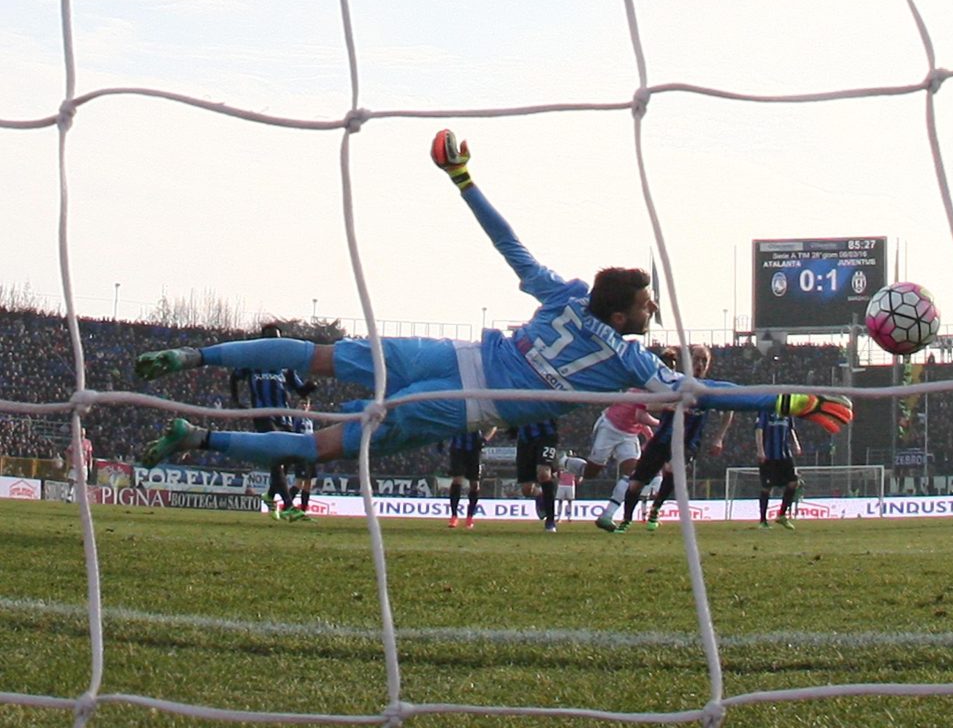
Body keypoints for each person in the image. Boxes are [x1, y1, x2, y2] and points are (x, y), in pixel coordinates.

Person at [135, 130, 852, 471]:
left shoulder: (567, 296)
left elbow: (510, 247)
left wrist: (464, 181)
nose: (654, 311)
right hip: (461, 403)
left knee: (318, 356)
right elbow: (705, 390)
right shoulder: (633, 364)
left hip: (450, 353)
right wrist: (785, 399)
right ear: (622, 315)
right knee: (320, 446)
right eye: (648, 304)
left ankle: (191, 353)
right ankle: (199, 438)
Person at [604, 345, 734, 533]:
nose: (700, 364)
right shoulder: (673, 382)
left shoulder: (709, 389)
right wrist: (669, 404)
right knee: (635, 485)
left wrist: (719, 438)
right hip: (662, 439)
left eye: (704, 361)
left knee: (674, 468)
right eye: (696, 359)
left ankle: (655, 510)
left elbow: (729, 410)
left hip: (688, 442)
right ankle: (626, 520)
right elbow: (649, 405)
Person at [559, 348, 666, 524]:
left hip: (629, 434)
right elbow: (640, 415)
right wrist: (658, 425)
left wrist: (648, 433)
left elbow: (637, 417)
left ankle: (607, 516)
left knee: (631, 473)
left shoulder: (655, 389)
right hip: (610, 426)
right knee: (591, 472)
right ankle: (565, 462)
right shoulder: (645, 387)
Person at [230, 323, 317, 522]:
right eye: (271, 339)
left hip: (284, 417)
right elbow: (235, 377)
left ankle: (270, 495)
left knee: (284, 460)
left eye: (276, 339)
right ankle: (288, 505)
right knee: (277, 457)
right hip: (263, 414)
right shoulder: (252, 361)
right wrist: (236, 400)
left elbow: (299, 389)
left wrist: (309, 388)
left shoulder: (285, 365)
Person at [755, 408, 802, 530]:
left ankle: (781, 515)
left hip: (785, 454)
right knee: (767, 487)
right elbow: (759, 429)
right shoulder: (765, 410)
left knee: (793, 482)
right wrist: (760, 450)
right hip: (769, 455)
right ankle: (763, 521)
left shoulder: (787, 411)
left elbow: (791, 428)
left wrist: (796, 443)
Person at [445, 427, 496, 529]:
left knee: (474, 484)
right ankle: (454, 516)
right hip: (457, 449)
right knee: (457, 480)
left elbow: (493, 426)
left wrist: (485, 439)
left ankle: (470, 517)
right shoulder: (456, 411)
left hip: (474, 450)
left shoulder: (479, 412)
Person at [515, 419, 560, 532]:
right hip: (525, 440)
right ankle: (540, 494)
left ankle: (550, 520)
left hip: (547, 436)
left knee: (544, 474)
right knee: (526, 490)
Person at [288, 396, 318, 518]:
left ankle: (303, 511)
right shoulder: (296, 419)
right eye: (302, 403)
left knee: (309, 482)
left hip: (310, 453)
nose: (304, 405)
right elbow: (293, 434)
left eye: (306, 403)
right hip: (301, 453)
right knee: (299, 481)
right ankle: (287, 506)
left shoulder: (310, 419)